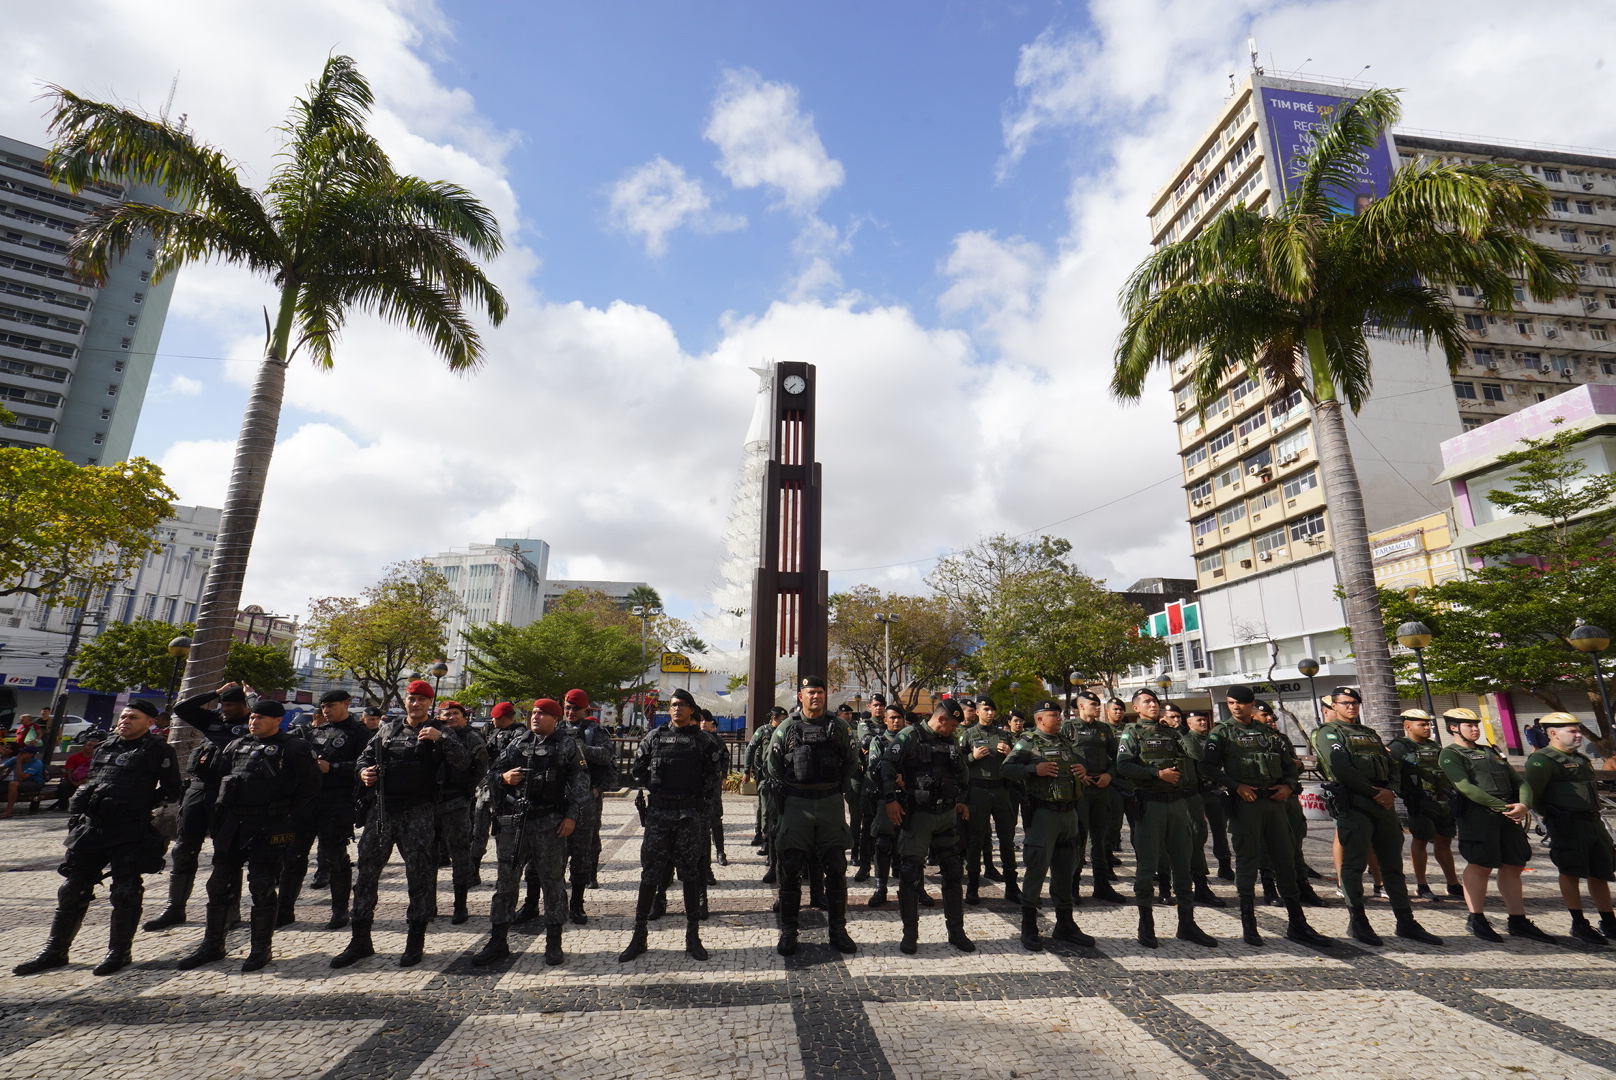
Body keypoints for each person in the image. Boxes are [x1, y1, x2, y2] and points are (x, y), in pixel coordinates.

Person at [13, 701, 181, 976]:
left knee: (125, 892)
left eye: (133, 717)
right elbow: (94, 780)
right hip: (91, 828)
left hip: (128, 829)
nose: (125, 720)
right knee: (71, 891)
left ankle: (119, 952)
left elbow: (172, 789)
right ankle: (55, 951)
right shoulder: (106, 746)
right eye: (124, 715)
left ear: (149, 722)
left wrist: (139, 803)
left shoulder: (158, 750)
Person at [332, 680, 468, 969]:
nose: (415, 703)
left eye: (421, 699)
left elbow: (463, 763)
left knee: (418, 877)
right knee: (366, 875)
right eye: (411, 698)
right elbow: (363, 758)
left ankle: (414, 940)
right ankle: (360, 941)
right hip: (382, 812)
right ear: (404, 701)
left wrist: (443, 740)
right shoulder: (388, 728)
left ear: (429, 703)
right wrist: (363, 773)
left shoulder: (439, 731)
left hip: (417, 812)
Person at [177, 700, 320, 971]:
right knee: (218, 885)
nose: (254, 721)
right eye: (252, 717)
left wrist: (285, 811)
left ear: (278, 720)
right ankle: (212, 945)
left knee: (261, 885)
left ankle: (260, 948)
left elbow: (311, 785)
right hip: (234, 823)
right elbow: (221, 778)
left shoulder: (294, 747)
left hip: (268, 824)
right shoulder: (236, 745)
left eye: (261, 718)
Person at [1200, 687, 1331, 949]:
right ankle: (1248, 923)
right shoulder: (1222, 733)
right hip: (1246, 805)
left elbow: (1289, 765)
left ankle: (1298, 923)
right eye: (1231, 703)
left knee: (1285, 860)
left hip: (1275, 804)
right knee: (1248, 862)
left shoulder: (1269, 734)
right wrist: (1236, 786)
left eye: (1241, 703)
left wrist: (1289, 786)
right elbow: (1207, 766)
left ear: (1252, 705)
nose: (1236, 707)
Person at [1311, 687, 1442, 947]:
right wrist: (1373, 792)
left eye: (1355, 702)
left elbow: (1392, 764)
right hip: (1355, 803)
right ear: (1334, 706)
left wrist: (1390, 790)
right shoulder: (1329, 733)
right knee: (1354, 864)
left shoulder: (1369, 734)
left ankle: (1405, 921)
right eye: (1345, 703)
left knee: (1393, 864)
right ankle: (1358, 921)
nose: (1351, 707)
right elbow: (1341, 767)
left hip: (1383, 803)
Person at [473, 698, 590, 966]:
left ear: (555, 719)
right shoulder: (518, 743)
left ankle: (553, 941)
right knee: (505, 883)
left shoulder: (567, 745)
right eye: (534, 713)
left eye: (543, 714)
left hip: (550, 822)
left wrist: (571, 816)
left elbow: (581, 783)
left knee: (552, 883)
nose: (535, 717)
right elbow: (489, 775)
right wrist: (503, 779)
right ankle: (498, 941)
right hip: (516, 823)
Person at [617, 688, 726, 963]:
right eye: (673, 705)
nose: (676, 709)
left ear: (692, 710)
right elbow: (638, 771)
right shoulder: (653, 738)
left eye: (682, 705)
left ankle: (693, 936)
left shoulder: (704, 742)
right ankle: (639, 936)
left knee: (690, 875)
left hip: (689, 817)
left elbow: (714, 779)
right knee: (649, 875)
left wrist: (699, 811)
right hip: (658, 816)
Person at [762, 675, 859, 956]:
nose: (815, 696)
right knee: (790, 869)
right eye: (810, 692)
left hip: (829, 804)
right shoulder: (787, 728)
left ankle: (838, 930)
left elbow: (851, 763)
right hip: (796, 805)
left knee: (837, 869)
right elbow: (773, 766)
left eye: (820, 692)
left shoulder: (839, 726)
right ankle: (789, 932)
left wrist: (828, 786)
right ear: (800, 696)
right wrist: (796, 787)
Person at [145, 683, 254, 932]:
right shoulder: (213, 720)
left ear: (244, 705)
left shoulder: (254, 722)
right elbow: (182, 708)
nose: (223, 709)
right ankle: (174, 908)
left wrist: (252, 697)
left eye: (230, 705)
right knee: (183, 850)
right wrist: (214, 693)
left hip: (228, 792)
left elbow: (268, 716)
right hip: (198, 789)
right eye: (222, 704)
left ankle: (230, 909)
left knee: (226, 854)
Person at [1438, 708, 1550, 942]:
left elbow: (1519, 781)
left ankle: (1517, 919)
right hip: (1478, 816)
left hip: (1508, 814)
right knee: (1481, 864)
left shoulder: (1491, 752)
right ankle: (1476, 918)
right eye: (1468, 725)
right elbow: (1466, 788)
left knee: (1513, 864)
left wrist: (1524, 805)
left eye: (1476, 724)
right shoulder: (1450, 754)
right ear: (1453, 728)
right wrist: (1502, 807)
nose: (1475, 728)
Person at [1115, 688, 1215, 948]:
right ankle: (1145, 925)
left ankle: (1187, 924)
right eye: (1147, 702)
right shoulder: (1132, 733)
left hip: (1177, 803)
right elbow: (1123, 765)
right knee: (1148, 866)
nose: (1153, 705)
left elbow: (1197, 755)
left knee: (1182, 862)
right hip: (1150, 805)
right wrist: (1156, 774)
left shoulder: (1172, 732)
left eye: (1155, 701)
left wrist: (1179, 727)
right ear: (1136, 708)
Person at [1003, 700, 1095, 952]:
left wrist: (1081, 768)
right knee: (1036, 868)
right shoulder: (1028, 742)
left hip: (1069, 813)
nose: (1060, 718)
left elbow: (1078, 766)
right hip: (1044, 814)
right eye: (1054, 715)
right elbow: (1007, 768)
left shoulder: (1064, 741)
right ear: (1040, 719)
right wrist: (1034, 769)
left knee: (1067, 869)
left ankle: (1065, 924)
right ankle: (1029, 927)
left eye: (1060, 714)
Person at [278, 690, 370, 930]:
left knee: (335, 857)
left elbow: (366, 765)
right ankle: (284, 909)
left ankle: (340, 911)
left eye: (331, 705)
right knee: (293, 856)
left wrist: (335, 767)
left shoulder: (359, 733)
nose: (326, 710)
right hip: (307, 803)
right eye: (323, 706)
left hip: (337, 802)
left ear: (346, 704)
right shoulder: (314, 731)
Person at [1523, 713, 1616, 944]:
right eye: (1572, 732)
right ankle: (1579, 923)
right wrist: (1551, 817)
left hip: (1592, 822)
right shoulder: (1542, 760)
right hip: (1567, 823)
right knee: (1570, 871)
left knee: (1601, 872)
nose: (1578, 736)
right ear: (1553, 733)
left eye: (1578, 731)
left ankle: (1609, 921)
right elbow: (1532, 794)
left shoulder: (1581, 759)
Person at [1389, 709, 1463, 903]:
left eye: (1427, 724)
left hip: (1443, 802)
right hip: (1420, 802)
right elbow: (1392, 774)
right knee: (1420, 841)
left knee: (1444, 841)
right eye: (1421, 724)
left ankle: (1453, 884)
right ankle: (1422, 885)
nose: (1427, 728)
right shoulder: (1399, 748)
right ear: (1408, 726)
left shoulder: (1433, 746)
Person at [1062, 691, 1127, 904]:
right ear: (1080, 707)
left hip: (1101, 789)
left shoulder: (1104, 729)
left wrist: (1109, 775)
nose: (1097, 708)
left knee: (1101, 838)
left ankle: (1102, 884)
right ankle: (1072, 884)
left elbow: (1118, 757)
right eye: (1093, 704)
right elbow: (1060, 754)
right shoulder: (1068, 728)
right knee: (1078, 837)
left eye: (1099, 704)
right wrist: (1076, 772)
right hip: (1080, 791)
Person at [560, 688, 617, 922]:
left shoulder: (594, 731)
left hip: (587, 799)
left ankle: (578, 902)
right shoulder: (556, 729)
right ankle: (554, 902)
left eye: (575, 708)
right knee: (555, 851)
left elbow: (606, 756)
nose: (571, 712)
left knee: (584, 848)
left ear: (585, 709)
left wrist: (580, 748)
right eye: (567, 708)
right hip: (558, 799)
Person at [959, 694, 1019, 905]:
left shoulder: (1004, 735)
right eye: (985, 709)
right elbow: (957, 764)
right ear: (977, 712)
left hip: (1002, 791)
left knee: (1006, 839)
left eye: (992, 709)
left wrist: (1010, 753)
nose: (990, 713)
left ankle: (1012, 886)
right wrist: (971, 757)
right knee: (976, 839)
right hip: (978, 791)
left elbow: (1015, 763)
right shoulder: (968, 735)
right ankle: (973, 887)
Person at [433, 700, 488, 925]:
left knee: (460, 855)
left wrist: (468, 790)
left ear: (464, 717)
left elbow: (482, 767)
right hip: (430, 803)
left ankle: (460, 905)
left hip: (457, 803)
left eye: (456, 713)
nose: (451, 717)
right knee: (428, 857)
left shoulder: (471, 737)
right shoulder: (430, 733)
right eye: (446, 714)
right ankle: (427, 904)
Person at [862, 703, 907, 907]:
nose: (896, 721)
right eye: (892, 718)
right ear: (885, 720)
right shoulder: (878, 741)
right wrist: (893, 779)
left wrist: (905, 779)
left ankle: (916, 887)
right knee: (882, 844)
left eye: (899, 717)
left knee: (912, 844)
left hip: (908, 796)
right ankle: (881, 887)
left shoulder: (911, 741)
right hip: (885, 798)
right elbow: (873, 769)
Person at [473, 701, 524, 878]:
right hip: (486, 790)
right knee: (478, 831)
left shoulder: (521, 735)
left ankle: (505, 875)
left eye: (495, 718)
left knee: (504, 835)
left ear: (504, 718)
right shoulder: (492, 732)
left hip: (507, 794)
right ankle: (473, 870)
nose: (492, 721)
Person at [1185, 710, 1233, 880]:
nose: (1203, 723)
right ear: (1189, 724)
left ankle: (1224, 865)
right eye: (1199, 720)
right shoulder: (1187, 740)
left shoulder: (1214, 740)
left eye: (1205, 720)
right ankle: (1197, 868)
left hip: (1214, 791)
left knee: (1220, 829)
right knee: (1198, 832)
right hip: (1196, 791)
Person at [745, 706, 787, 874]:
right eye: (781, 717)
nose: (783, 720)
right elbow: (751, 748)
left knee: (777, 811)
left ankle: (774, 843)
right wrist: (747, 770)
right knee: (765, 810)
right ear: (774, 717)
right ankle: (765, 840)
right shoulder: (763, 731)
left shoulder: (786, 730)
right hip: (765, 776)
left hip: (782, 777)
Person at [54, 732, 103, 810]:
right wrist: (73, 781)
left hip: (89, 779)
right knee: (63, 785)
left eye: (93, 746)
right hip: (72, 778)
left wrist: (83, 781)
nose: (90, 747)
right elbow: (69, 771)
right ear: (84, 746)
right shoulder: (74, 757)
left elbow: (97, 773)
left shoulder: (97, 759)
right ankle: (63, 806)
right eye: (89, 745)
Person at [1, 742, 46, 817]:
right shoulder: (15, 758)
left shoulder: (37, 763)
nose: (21, 754)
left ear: (31, 755)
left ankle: (8, 811)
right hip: (19, 782)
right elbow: (2, 766)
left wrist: (19, 763)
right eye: (21, 752)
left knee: (13, 784)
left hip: (34, 783)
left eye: (24, 753)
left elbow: (21, 778)